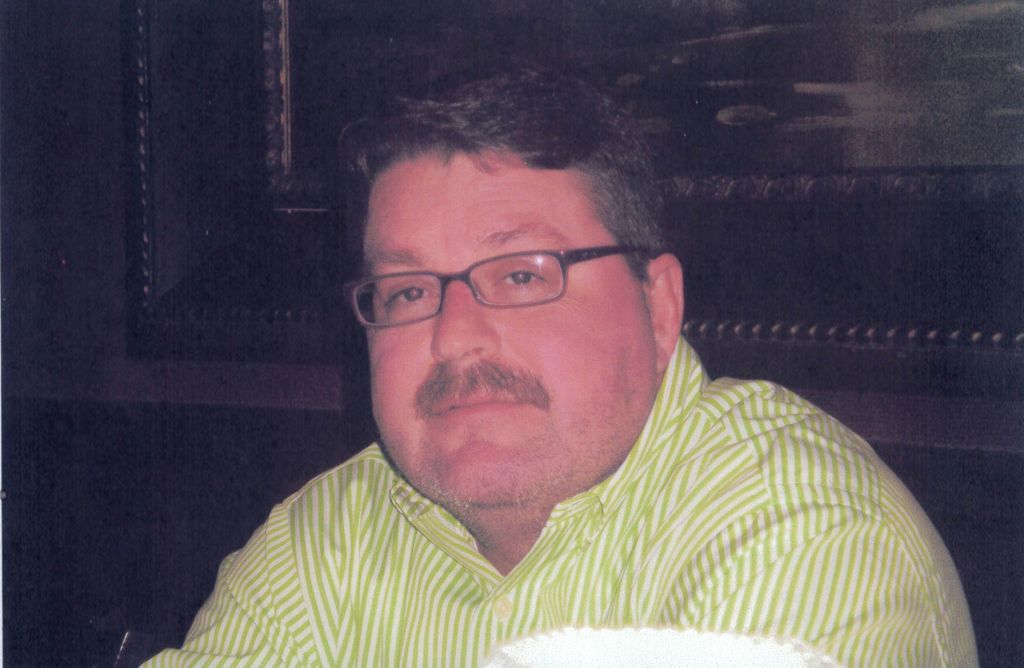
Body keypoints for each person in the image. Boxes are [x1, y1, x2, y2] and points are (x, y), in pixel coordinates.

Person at [146, 69, 977, 667]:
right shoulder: (322, 540)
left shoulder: (801, 532)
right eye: (406, 292)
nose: (454, 338)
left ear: (658, 307)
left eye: (521, 275)